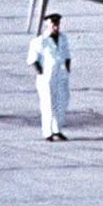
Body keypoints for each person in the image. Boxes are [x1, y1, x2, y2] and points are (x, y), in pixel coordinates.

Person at [27, 13, 73, 141]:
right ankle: (48, 132)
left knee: (62, 102)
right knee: (48, 104)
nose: (56, 27)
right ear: (48, 25)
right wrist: (42, 73)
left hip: (61, 75)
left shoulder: (63, 38)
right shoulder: (40, 41)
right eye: (53, 25)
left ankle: (57, 130)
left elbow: (67, 55)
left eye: (57, 24)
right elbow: (32, 59)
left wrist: (67, 69)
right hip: (47, 77)